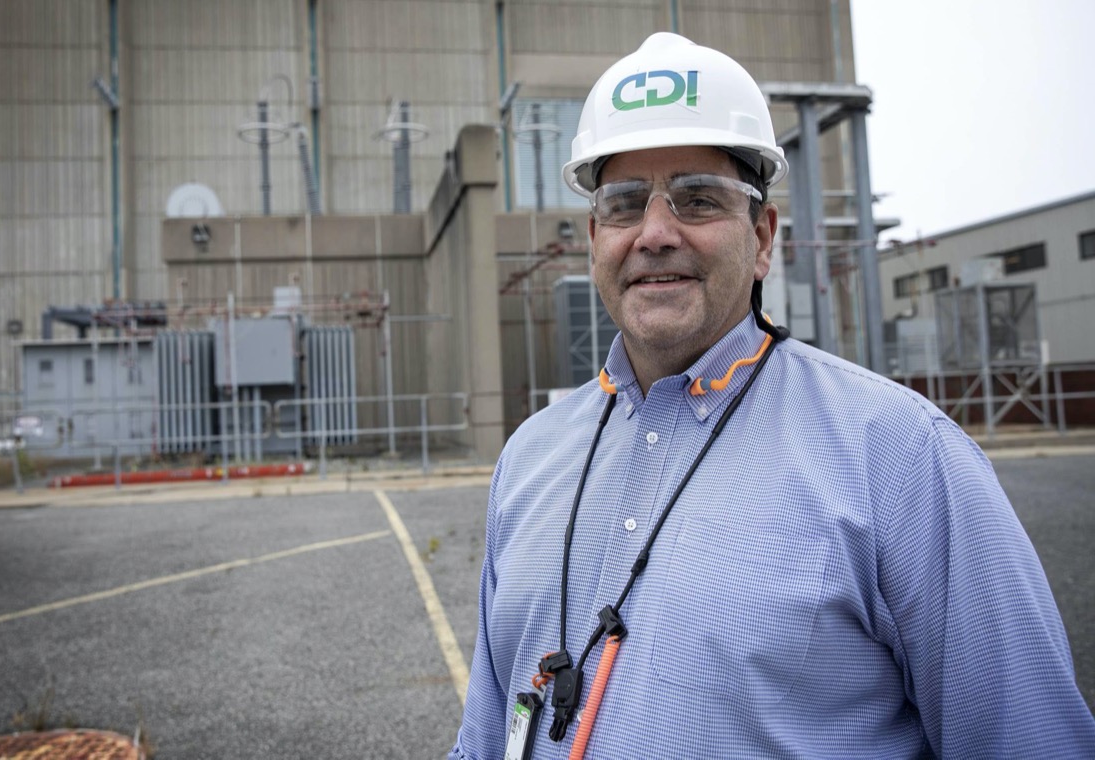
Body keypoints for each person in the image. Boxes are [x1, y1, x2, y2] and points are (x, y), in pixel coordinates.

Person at [450, 32, 1095, 759]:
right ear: (596, 236)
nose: (655, 233)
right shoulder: (531, 458)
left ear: (762, 238)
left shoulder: (902, 457)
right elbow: (481, 739)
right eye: (626, 204)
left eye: (697, 200)